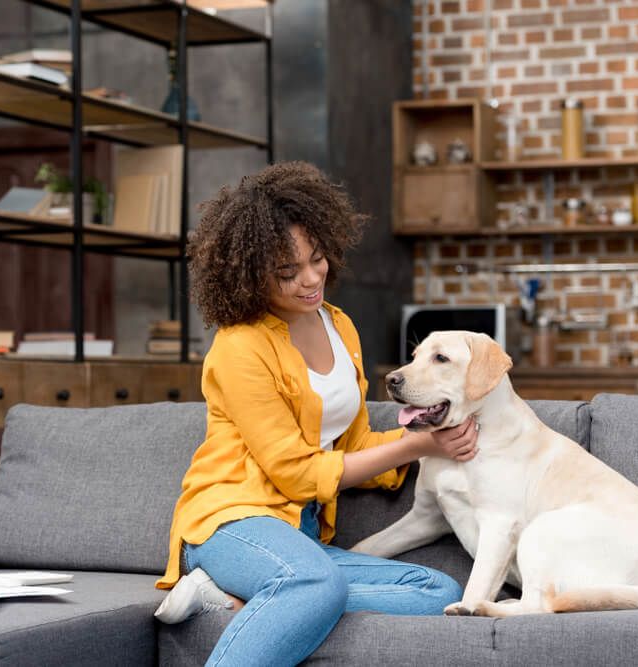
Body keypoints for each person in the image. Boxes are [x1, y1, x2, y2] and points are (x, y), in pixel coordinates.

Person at [153, 162, 479, 666]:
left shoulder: (338, 326)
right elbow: (297, 472)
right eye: (287, 272)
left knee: (435, 591)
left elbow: (352, 445)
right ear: (247, 272)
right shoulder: (240, 347)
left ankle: (256, 601)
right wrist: (416, 446)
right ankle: (275, 592)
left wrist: (424, 432)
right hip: (231, 522)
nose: (310, 280)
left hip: (298, 541)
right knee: (314, 581)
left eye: (317, 259)